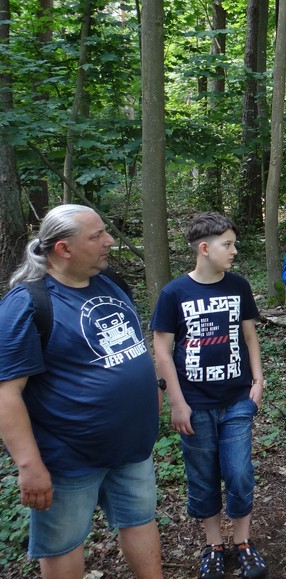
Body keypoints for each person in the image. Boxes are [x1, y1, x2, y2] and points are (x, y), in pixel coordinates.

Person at [0, 205, 163, 578]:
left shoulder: (111, 282)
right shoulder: (28, 305)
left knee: (139, 519)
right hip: (68, 459)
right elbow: (7, 392)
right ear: (64, 249)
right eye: (97, 236)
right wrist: (29, 465)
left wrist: (155, 384)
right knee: (64, 544)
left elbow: (130, 345)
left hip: (131, 447)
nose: (109, 241)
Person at [151, 213, 267, 579]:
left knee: (239, 473)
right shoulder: (174, 293)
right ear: (204, 248)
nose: (234, 250)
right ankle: (214, 545)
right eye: (227, 244)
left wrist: (258, 380)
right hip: (195, 404)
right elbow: (163, 350)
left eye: (234, 243)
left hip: (236, 399)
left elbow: (249, 336)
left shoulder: (239, 286)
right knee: (202, 477)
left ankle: (243, 543)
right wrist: (177, 402)